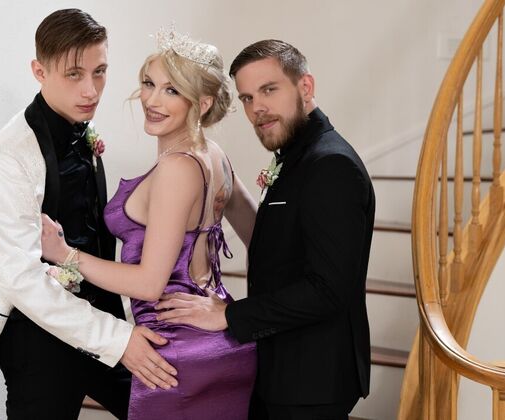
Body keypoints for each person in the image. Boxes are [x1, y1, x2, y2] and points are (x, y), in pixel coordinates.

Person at [0, 9, 177, 419]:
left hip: (104, 320)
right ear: (39, 71)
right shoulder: (10, 158)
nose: (91, 90)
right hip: (39, 341)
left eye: (100, 72)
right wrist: (118, 339)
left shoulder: (80, 127)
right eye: (74, 74)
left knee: (172, 407)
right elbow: (20, 280)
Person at [40, 27, 258, 420]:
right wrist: (231, 310)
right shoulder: (214, 155)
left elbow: (148, 284)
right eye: (148, 83)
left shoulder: (177, 168)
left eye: (172, 90)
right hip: (220, 343)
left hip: (176, 352)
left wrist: (66, 255)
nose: (152, 100)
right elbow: (266, 240)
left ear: (203, 102)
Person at [155, 40, 375, 420]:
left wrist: (229, 315)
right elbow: (281, 244)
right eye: (247, 97)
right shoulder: (296, 156)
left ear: (305, 87)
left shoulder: (331, 166)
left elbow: (328, 290)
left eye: (269, 90)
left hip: (312, 379)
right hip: (282, 366)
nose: (257, 107)